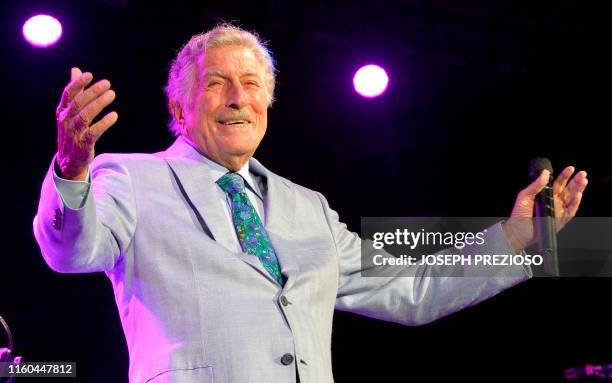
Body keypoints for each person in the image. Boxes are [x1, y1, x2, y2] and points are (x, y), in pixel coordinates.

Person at [33, 23, 588, 383]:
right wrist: (71, 169)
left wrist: (518, 239)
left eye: (251, 84)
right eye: (217, 83)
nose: (237, 98)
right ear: (179, 109)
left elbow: (412, 288)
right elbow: (69, 250)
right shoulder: (129, 176)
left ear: (268, 104)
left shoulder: (308, 207)